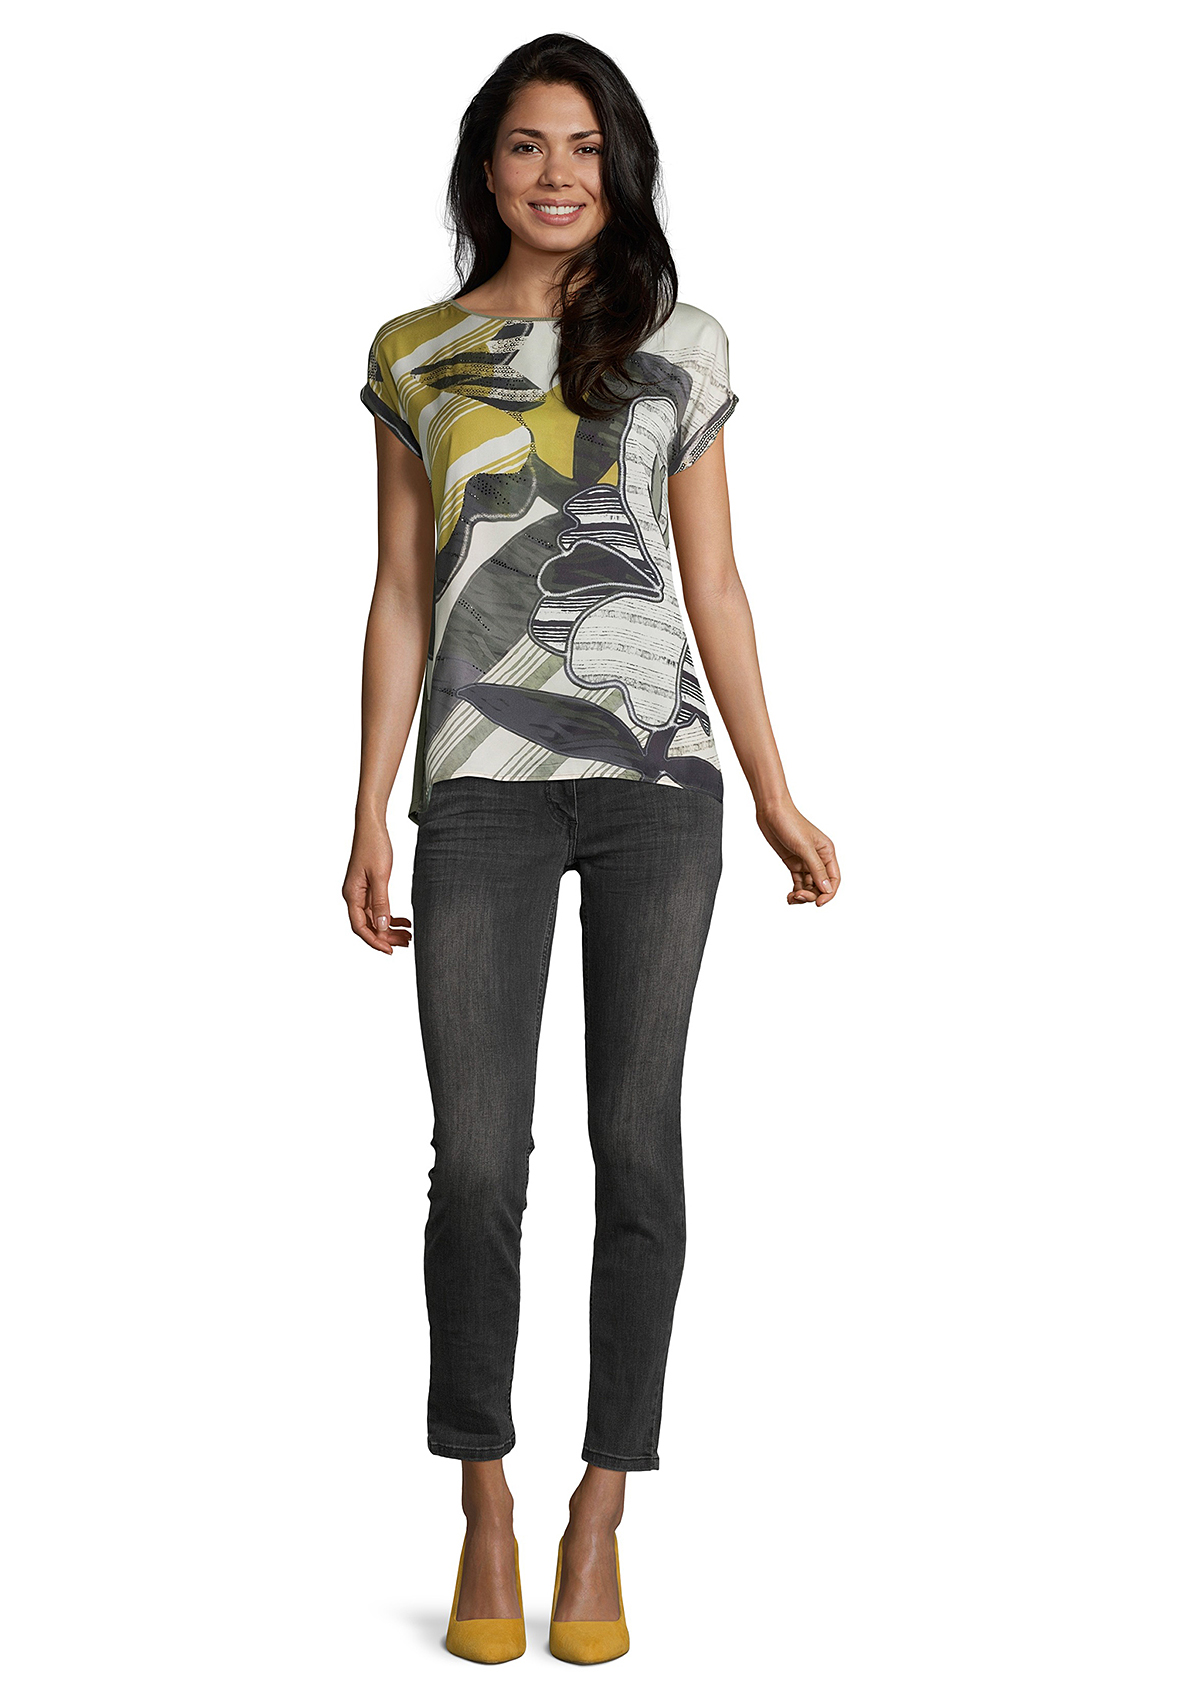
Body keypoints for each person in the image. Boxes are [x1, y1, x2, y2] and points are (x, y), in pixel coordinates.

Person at [343, 33, 841, 1666]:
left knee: (638, 1147)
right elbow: (401, 591)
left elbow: (715, 584)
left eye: (582, 147)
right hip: (478, 786)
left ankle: (599, 1510)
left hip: (655, 782)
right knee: (478, 1162)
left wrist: (770, 788)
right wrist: (367, 807)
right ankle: (483, 1500)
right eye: (524, 145)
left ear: (618, 169)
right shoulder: (415, 353)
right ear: (483, 168)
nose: (554, 174)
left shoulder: (678, 344)